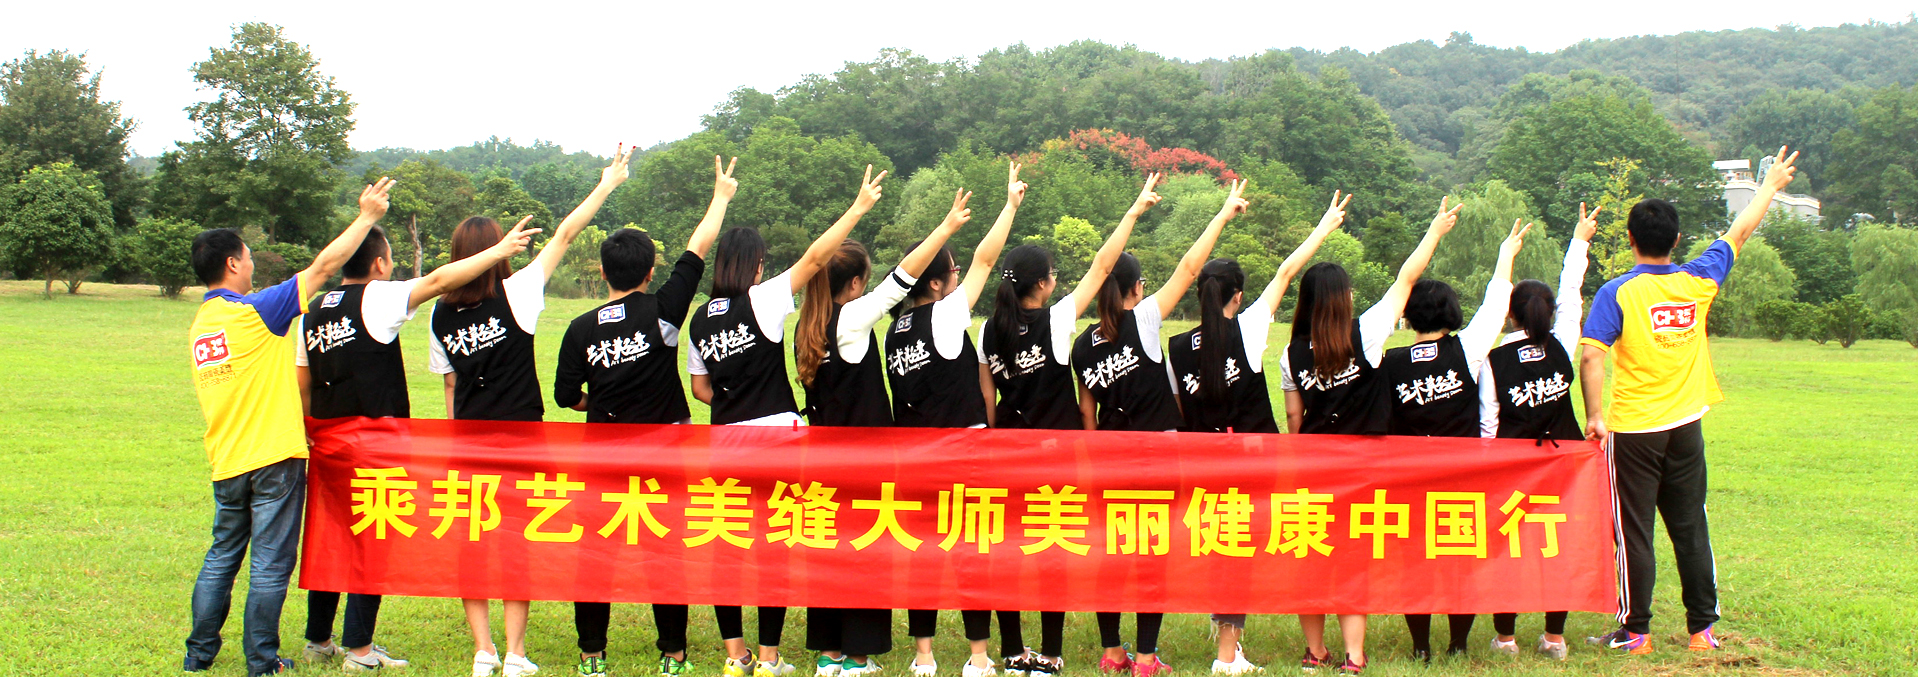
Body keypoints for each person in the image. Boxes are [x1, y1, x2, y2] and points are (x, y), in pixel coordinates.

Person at [295, 214, 539, 672]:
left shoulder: (312, 307)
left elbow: (302, 380)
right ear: (380, 263)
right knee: (372, 538)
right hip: (376, 444)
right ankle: (359, 650)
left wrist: (311, 429)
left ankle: (319, 639)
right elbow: (439, 281)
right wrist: (501, 250)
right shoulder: (379, 297)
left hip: (327, 440)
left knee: (333, 536)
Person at [1581, 146, 1798, 655]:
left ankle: (1636, 632)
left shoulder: (1617, 292)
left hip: (1634, 431)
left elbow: (1591, 356)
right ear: (1676, 240)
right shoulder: (1698, 279)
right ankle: (1702, 630)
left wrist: (1594, 416)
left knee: (1634, 532)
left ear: (1630, 239)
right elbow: (1739, 231)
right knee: (1690, 526)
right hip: (1686, 427)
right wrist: (1769, 187)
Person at [429, 146, 633, 677]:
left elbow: (451, 387)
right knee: (515, 543)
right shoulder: (517, 292)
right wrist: (607, 183)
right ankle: (514, 653)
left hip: (468, 444)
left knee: (474, 546)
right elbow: (564, 234)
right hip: (522, 439)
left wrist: (454, 446)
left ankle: (484, 651)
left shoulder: (439, 314)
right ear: (498, 253)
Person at [182, 177, 394, 676]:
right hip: (273, 458)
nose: (252, 264)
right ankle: (262, 661)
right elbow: (323, 268)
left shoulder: (202, 325)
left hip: (226, 459)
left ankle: (199, 655)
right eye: (248, 256)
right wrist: (367, 216)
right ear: (232, 264)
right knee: (270, 564)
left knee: (221, 558)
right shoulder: (254, 313)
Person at [687, 165, 890, 677]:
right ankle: (770, 657)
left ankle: (735, 656)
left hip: (724, 442)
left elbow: (700, 388)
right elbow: (817, 258)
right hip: (775, 440)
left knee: (730, 547)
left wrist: (732, 403)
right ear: (755, 266)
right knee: (772, 547)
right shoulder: (762, 298)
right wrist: (858, 208)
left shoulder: (699, 319)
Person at [552, 156, 737, 677]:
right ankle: (673, 655)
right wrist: (720, 197)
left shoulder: (580, 328)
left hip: (602, 455)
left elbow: (566, 397)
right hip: (666, 453)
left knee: (596, 553)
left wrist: (599, 404)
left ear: (603, 272)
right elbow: (697, 249)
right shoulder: (663, 310)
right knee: (666, 548)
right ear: (651, 272)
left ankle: (592, 655)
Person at [979, 173, 1165, 677]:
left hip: (1007, 453)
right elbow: (1104, 265)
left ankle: (1013, 650)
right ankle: (1050, 652)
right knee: (1050, 551)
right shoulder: (1057, 321)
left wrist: (994, 447)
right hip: (1055, 456)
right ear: (1042, 284)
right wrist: (1132, 213)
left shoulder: (988, 330)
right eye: (1052, 275)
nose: (1056, 280)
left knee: (1009, 552)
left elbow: (988, 399)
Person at [1166, 191, 1349, 675]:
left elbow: (1182, 413)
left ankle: (1230, 647)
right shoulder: (1247, 330)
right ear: (1237, 296)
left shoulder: (1176, 347)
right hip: (1250, 463)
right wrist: (1324, 227)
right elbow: (1286, 272)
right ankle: (1226, 656)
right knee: (1237, 553)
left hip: (1203, 463)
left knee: (1222, 550)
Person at [793, 186, 973, 677]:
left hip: (822, 462)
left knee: (830, 553)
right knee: (864, 554)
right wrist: (945, 228)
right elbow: (904, 278)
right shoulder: (851, 319)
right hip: (865, 463)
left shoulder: (807, 327)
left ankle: (829, 654)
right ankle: (856, 657)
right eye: (864, 281)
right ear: (854, 283)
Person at [1280, 196, 1460, 675]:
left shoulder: (1290, 354)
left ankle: (1314, 652)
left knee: (1312, 557)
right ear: (1344, 298)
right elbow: (1406, 278)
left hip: (1313, 468)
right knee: (1349, 560)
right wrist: (1435, 231)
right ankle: (1354, 656)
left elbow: (1295, 419)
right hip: (1362, 469)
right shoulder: (1368, 332)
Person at [1074, 179, 1246, 676]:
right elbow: (1190, 268)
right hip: (1156, 459)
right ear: (1135, 288)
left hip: (1109, 457)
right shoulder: (1144, 320)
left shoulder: (1082, 345)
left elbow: (1087, 413)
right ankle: (1146, 658)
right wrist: (1221, 216)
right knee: (1150, 556)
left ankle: (1112, 654)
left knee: (1111, 555)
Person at [885, 163, 1026, 677]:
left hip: (915, 459)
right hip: (964, 456)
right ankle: (979, 657)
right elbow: (987, 259)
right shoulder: (944, 316)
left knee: (921, 555)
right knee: (974, 554)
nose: (960, 275)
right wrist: (1009, 207)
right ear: (938, 282)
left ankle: (924, 656)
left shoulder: (895, 331)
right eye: (953, 270)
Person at [1380, 217, 1531, 662]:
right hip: (1462, 480)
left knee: (1415, 564)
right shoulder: (1466, 350)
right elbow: (1495, 305)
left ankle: (1421, 648)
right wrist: (1505, 255)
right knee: (1460, 561)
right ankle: (1458, 644)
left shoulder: (1390, 361)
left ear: (1409, 313)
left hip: (1408, 481)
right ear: (1450, 312)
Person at [1476, 204, 1598, 660]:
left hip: (1512, 466)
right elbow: (1572, 293)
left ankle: (1506, 639)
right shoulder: (1562, 343)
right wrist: (1579, 241)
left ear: (1511, 316)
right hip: (1565, 464)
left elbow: (1488, 423)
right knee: (1558, 545)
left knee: (1509, 548)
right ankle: (1554, 638)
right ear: (1550, 313)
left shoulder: (1495, 359)